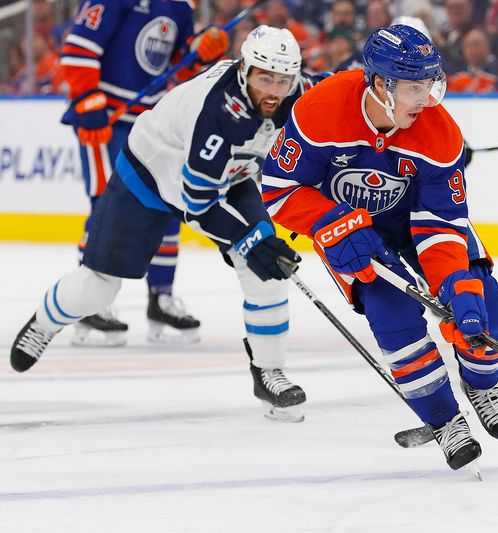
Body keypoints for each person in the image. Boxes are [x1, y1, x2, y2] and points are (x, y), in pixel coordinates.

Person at [11, 26, 310, 422]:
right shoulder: (217, 113)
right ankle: (45, 323)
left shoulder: (297, 91)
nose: (274, 89)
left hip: (229, 175)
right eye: (264, 78)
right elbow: (199, 205)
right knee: (98, 287)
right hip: (150, 176)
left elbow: (334, 92)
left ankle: (269, 371)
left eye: (283, 79)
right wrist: (249, 238)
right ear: (243, 70)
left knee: (266, 273)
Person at [261, 25, 498, 471]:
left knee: (486, 303)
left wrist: (455, 282)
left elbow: (440, 224)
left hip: (417, 222)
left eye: (431, 84)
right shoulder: (320, 109)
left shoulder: (439, 134)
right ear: (380, 84)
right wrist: (329, 223)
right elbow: (280, 189)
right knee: (392, 315)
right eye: (415, 87)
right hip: (348, 229)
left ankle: (481, 385)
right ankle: (444, 419)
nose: (427, 98)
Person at [59, 0, 230, 345]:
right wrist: (86, 98)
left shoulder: (180, 7)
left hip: (151, 123)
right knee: (106, 209)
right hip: (106, 119)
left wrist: (199, 53)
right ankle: (88, 304)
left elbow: (179, 71)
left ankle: (161, 299)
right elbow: (79, 48)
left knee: (167, 204)